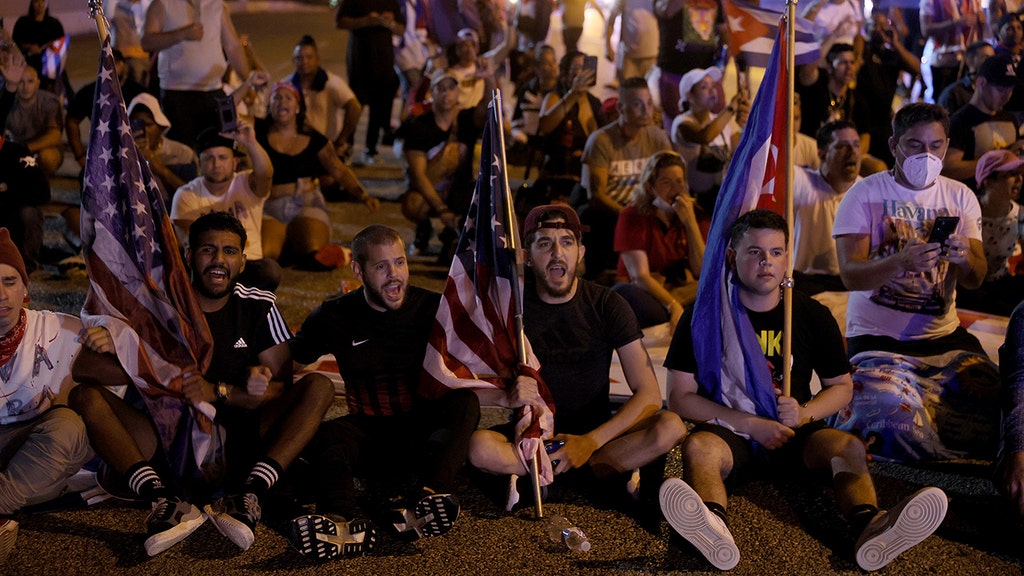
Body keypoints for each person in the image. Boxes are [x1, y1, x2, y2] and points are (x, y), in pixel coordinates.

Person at [660, 209, 948, 572]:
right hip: (730, 428)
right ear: (732, 256)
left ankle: (870, 526)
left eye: (776, 252)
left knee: (847, 447)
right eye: (755, 252)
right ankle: (713, 527)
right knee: (698, 448)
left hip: (793, 429)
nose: (767, 262)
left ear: (786, 260)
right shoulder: (703, 316)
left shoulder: (811, 314)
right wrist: (749, 424)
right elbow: (679, 396)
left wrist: (804, 413)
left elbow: (841, 388)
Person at [68, 212, 335, 556]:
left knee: (319, 387)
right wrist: (149, 363)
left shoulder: (258, 305)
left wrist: (229, 391)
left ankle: (250, 492)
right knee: (85, 398)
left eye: (229, 251)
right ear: (189, 254)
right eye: (208, 250)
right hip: (163, 433)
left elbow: (278, 388)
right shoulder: (155, 303)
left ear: (243, 258)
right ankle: (161, 499)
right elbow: (84, 369)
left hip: (237, 436)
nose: (218, 260)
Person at [467, 205, 686, 504]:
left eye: (567, 242)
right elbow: (465, 384)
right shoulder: (512, 310)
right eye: (545, 243)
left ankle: (544, 479)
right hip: (533, 436)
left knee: (670, 426)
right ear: (527, 256)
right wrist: (505, 395)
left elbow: (648, 395)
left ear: (581, 253)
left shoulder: (607, 304)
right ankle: (590, 481)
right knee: (479, 446)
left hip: (596, 436)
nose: (557, 253)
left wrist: (589, 442)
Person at [286, 225, 479, 559]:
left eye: (400, 263)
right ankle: (338, 519)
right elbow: (289, 359)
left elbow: (479, 358)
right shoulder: (335, 315)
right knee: (325, 434)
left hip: (420, 431)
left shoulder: (432, 307)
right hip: (369, 430)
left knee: (465, 402)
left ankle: (430, 496)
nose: (394, 276)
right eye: (381, 266)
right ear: (358, 270)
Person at [831, 103, 1000, 462]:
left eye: (936, 146)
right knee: (889, 409)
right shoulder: (864, 194)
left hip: (943, 338)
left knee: (999, 400)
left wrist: (964, 258)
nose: (927, 155)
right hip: (877, 340)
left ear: (947, 144)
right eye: (915, 145)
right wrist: (898, 262)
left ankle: (931, 426)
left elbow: (977, 277)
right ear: (893, 145)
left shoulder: (960, 197)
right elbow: (850, 274)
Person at [0, 228, 93, 564]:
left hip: (36, 453)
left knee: (68, 426)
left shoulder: (61, 330)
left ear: (25, 287)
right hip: (27, 475)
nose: (1, 294)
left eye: (10, 281)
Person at [255, 82, 379, 269]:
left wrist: (362, 194)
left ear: (298, 107)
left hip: (306, 202)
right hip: (270, 205)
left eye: (288, 97)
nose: (282, 102)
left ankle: (296, 244)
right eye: (277, 98)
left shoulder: (315, 139)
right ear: (270, 106)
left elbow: (338, 169)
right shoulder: (256, 133)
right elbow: (231, 118)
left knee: (311, 248)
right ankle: (285, 243)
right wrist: (248, 83)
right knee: (265, 253)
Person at [579, 77, 672, 278]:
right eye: (637, 104)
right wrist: (630, 215)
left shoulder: (657, 137)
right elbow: (596, 196)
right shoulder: (601, 140)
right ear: (621, 108)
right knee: (591, 214)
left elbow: (672, 178)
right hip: (613, 212)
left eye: (648, 103)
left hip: (647, 208)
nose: (646, 110)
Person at [170, 125, 282, 292]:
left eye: (223, 157)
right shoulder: (186, 194)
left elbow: (266, 172)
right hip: (208, 266)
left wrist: (250, 142)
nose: (216, 164)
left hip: (247, 264)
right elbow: (190, 241)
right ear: (200, 163)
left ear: (235, 162)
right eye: (209, 158)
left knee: (270, 271)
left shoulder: (246, 183)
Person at [397, 69, 491, 262]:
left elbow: (488, 109)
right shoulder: (418, 125)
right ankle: (424, 228)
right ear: (433, 92)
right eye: (441, 88)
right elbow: (418, 175)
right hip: (433, 190)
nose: (447, 93)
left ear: (458, 93)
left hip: (463, 188)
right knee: (412, 204)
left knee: (483, 197)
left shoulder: (467, 118)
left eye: (451, 88)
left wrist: (489, 78)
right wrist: (441, 209)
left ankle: (454, 237)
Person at [612, 151, 704, 329]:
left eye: (679, 182)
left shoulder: (695, 214)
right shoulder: (632, 215)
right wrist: (673, 304)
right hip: (648, 293)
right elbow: (640, 277)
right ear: (649, 187)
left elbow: (702, 270)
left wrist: (690, 222)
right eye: (666, 182)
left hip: (680, 290)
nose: (676, 190)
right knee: (625, 295)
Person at [141, 0, 251, 145]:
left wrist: (247, 80)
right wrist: (181, 34)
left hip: (213, 91)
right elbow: (147, 42)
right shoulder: (163, 3)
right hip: (177, 95)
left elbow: (232, 46)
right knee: (185, 151)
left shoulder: (217, 5)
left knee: (218, 146)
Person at [792, 120, 862, 294]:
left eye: (856, 145)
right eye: (842, 146)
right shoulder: (801, 181)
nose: (852, 152)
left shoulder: (866, 191)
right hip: (806, 285)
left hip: (850, 287)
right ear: (822, 154)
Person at [671, 66, 748, 213]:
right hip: (695, 204)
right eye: (704, 87)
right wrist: (731, 108)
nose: (712, 91)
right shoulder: (682, 123)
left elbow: (739, 153)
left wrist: (744, 126)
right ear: (689, 95)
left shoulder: (720, 122)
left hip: (722, 201)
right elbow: (704, 136)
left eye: (713, 86)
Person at [335, 0, 404, 166]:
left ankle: (370, 149)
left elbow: (401, 29)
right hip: (360, 62)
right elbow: (340, 22)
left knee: (378, 107)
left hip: (384, 62)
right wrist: (366, 20)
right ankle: (346, 147)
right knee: (356, 106)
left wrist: (390, 23)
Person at [956, 149, 1024, 315]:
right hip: (969, 289)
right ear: (988, 181)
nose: (1019, 179)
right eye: (1010, 174)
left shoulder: (1020, 214)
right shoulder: (967, 213)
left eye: (1020, 174)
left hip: (1001, 288)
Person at [944, 54, 1023, 190]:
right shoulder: (960, 122)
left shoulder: (1009, 119)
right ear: (981, 83)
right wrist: (996, 161)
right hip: (973, 200)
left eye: (1010, 90)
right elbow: (948, 169)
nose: (1007, 96)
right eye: (1001, 89)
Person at [65, 49, 147, 175]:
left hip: (135, 156)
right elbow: (71, 120)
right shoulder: (89, 93)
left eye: (115, 63)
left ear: (122, 65)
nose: (109, 68)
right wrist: (80, 156)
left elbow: (153, 124)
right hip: (103, 156)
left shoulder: (138, 92)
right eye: (104, 64)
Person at [285, 35, 362, 162]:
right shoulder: (287, 86)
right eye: (299, 58)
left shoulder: (331, 83)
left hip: (328, 147)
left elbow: (354, 108)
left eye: (309, 57)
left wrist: (341, 141)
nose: (304, 61)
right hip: (298, 147)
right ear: (293, 60)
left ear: (317, 59)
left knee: (330, 179)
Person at [127, 93, 198, 208]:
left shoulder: (182, 153)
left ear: (160, 127)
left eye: (148, 125)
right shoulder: (121, 154)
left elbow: (194, 195)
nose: (143, 130)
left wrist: (158, 166)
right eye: (136, 125)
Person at [4, 65, 62, 179]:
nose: (25, 87)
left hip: (42, 149)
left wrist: (26, 148)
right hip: (16, 149)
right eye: (21, 82)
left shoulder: (49, 102)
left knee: (47, 158)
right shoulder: (7, 102)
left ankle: (42, 183)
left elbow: (55, 135)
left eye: (30, 81)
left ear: (38, 83)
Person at [0, 135, 49, 271]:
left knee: (29, 213)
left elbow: (43, 193)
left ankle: (26, 265)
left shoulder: (17, 151)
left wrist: (7, 189)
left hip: (11, 215)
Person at [921, 0, 984, 101]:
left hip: (968, 60)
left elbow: (980, 28)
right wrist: (955, 24)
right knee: (942, 100)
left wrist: (981, 21)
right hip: (943, 60)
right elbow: (925, 29)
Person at [11, 0, 67, 95]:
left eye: (43, 1)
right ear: (32, 3)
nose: (40, 5)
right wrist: (29, 47)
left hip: (50, 66)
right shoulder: (23, 23)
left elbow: (61, 46)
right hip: (29, 62)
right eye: (37, 1)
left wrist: (50, 47)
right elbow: (14, 44)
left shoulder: (54, 24)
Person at [606, 0, 659, 84]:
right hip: (629, 57)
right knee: (627, 91)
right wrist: (608, 47)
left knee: (647, 92)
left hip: (652, 56)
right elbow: (611, 20)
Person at [936, 40, 995, 116]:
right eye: (986, 58)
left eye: (993, 58)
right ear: (970, 61)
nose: (991, 62)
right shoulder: (953, 94)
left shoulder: (995, 91)